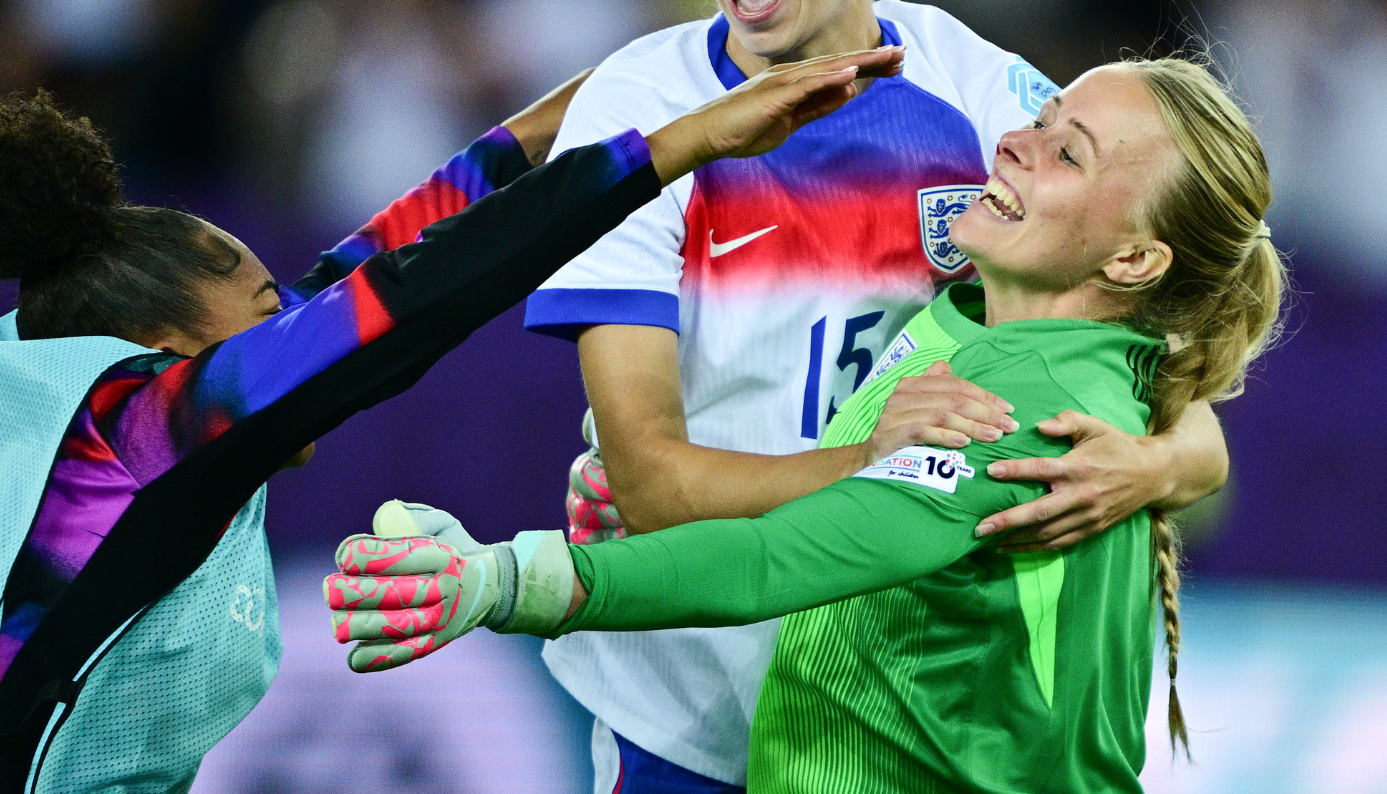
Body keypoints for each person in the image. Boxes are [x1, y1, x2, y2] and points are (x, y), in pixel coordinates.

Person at [0, 52, 890, 794]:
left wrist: (560, 119)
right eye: (266, 312)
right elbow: (393, 308)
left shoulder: (63, 415)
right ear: (175, 349)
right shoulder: (135, 433)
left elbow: (372, 263)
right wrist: (672, 145)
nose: (292, 318)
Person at [519, 0, 1232, 790]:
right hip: (689, 716)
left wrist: (1150, 464)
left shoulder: (984, 96)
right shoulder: (644, 111)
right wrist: (884, 467)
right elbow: (654, 486)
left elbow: (1177, 397)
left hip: (896, 715)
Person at [326, 57, 1285, 793]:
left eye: (1066, 151)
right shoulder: (968, 318)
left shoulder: (1017, 412)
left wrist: (503, 581)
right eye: (1039, 121)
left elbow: (773, 561)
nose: (1013, 141)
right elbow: (861, 485)